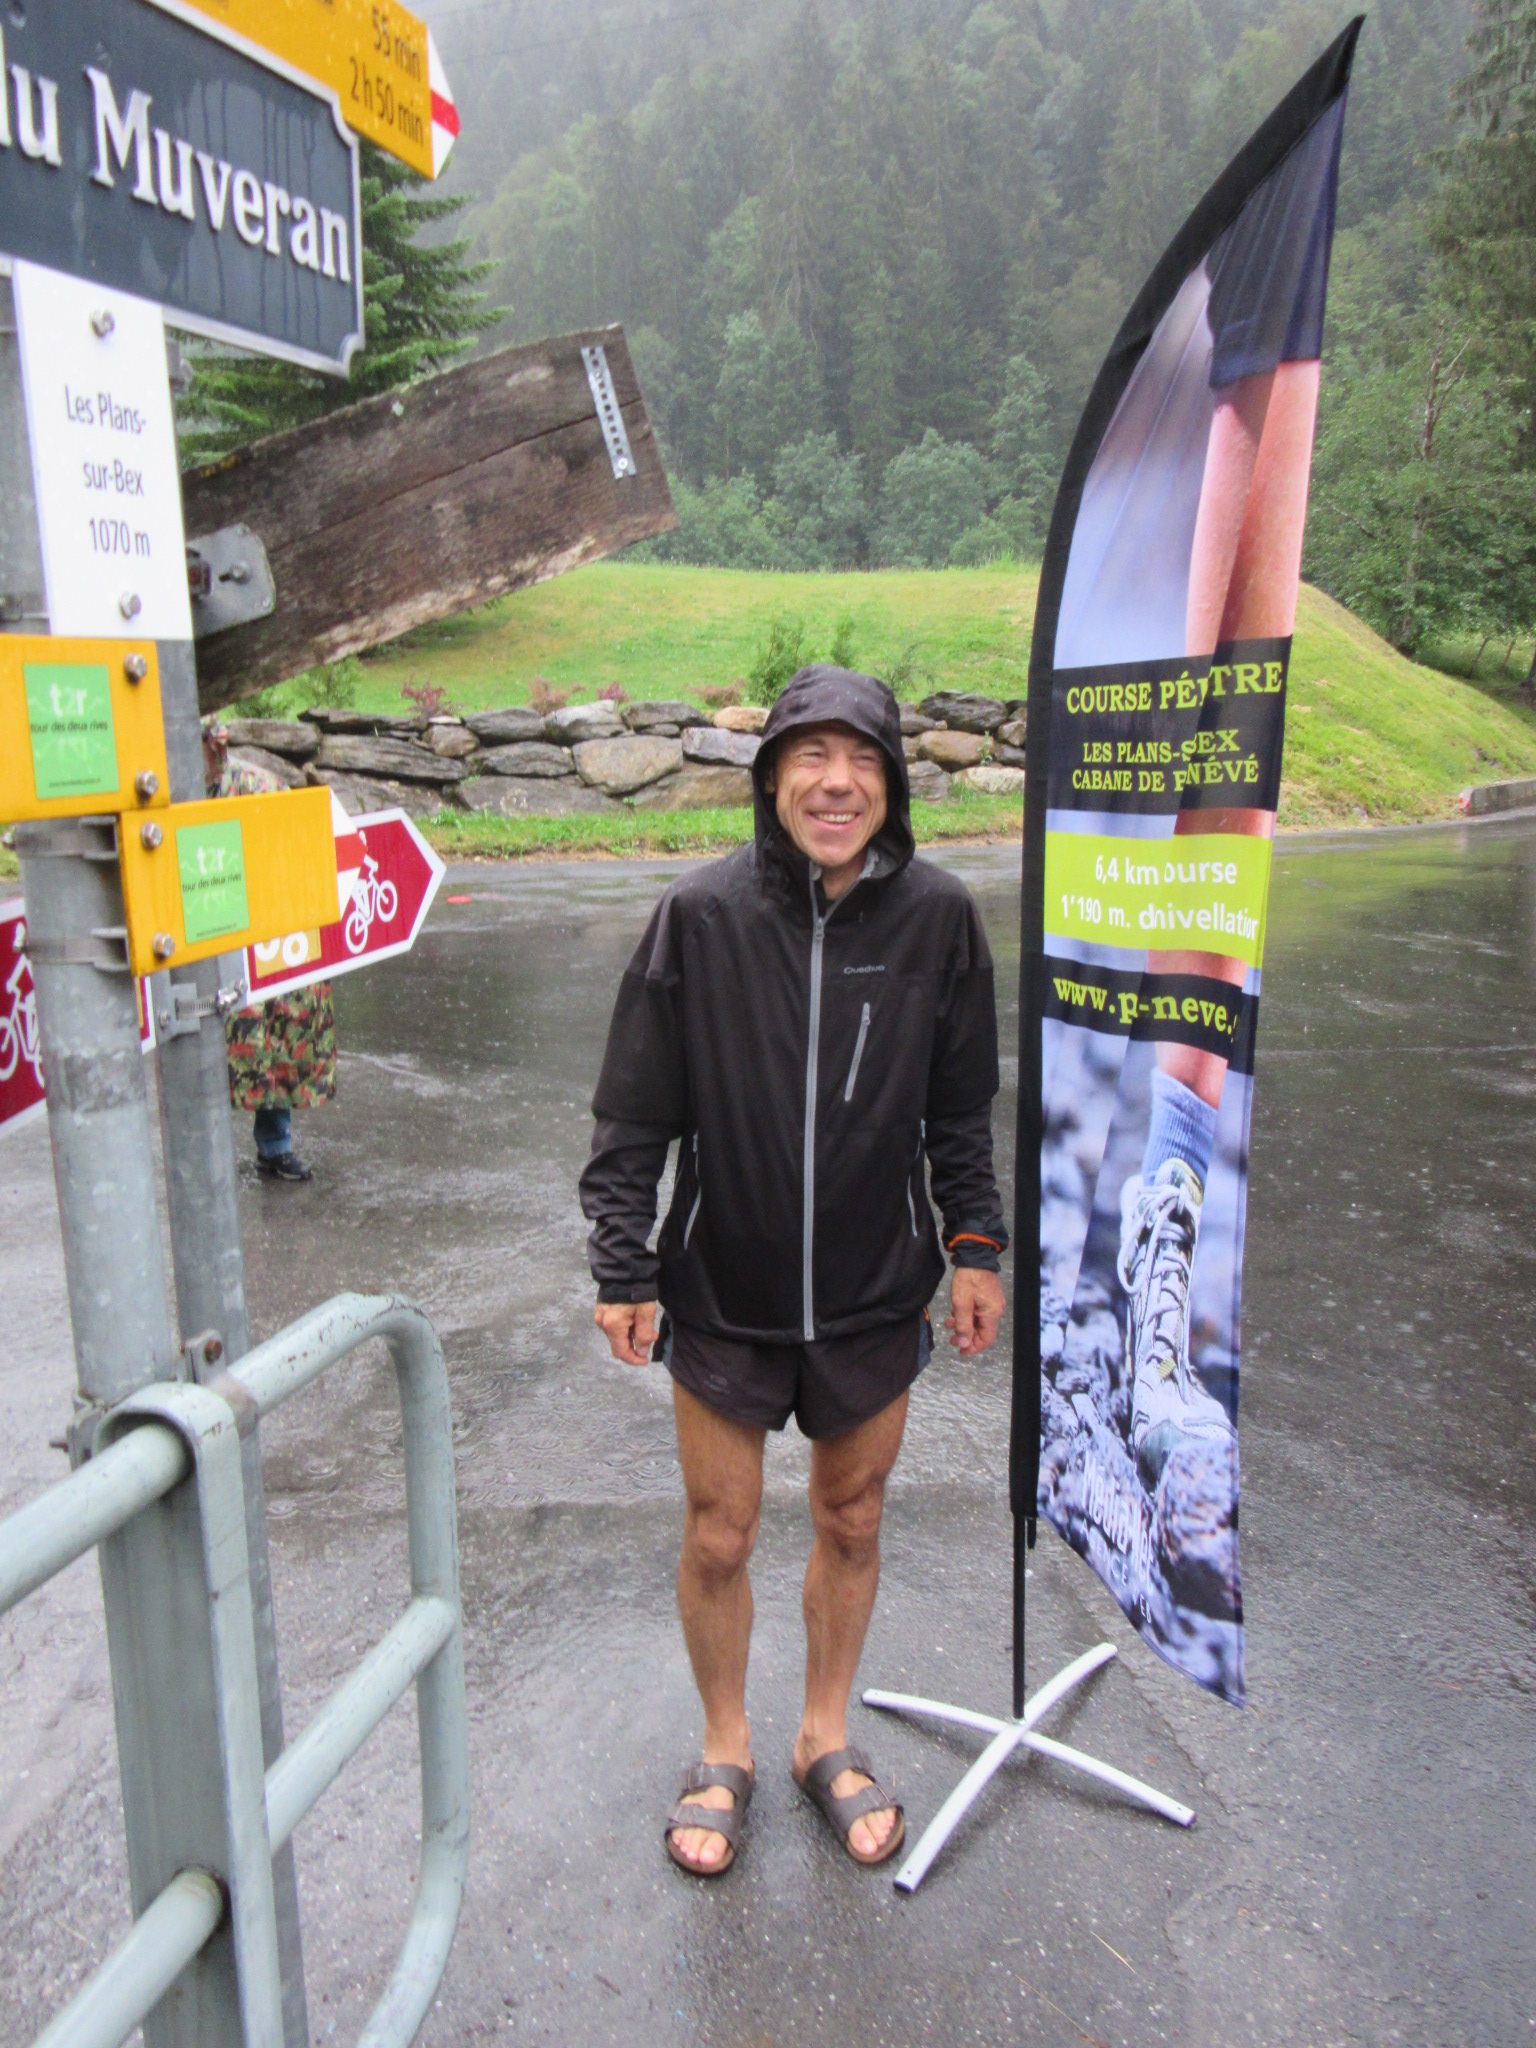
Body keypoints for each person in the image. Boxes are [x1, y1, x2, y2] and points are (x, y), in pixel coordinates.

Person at [580, 666, 1008, 1878]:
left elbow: (959, 1112)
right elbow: (634, 1114)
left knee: (852, 1516)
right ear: (770, 778)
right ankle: (726, 1742)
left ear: (893, 783)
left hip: (876, 1288)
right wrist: (624, 1263)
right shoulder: (700, 916)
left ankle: (825, 1730)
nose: (837, 782)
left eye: (864, 758)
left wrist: (975, 1246)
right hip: (726, 1287)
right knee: (720, 1533)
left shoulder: (938, 918)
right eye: (811, 756)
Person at [1119, 131, 1336, 1482]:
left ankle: (1162, 1223)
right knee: (1203, 779)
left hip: (1282, 311)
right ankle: (1145, 1241)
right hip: (1245, 322)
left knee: (1234, 801)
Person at [202, 718, 336, 1182]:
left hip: (258, 935)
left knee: (272, 1034)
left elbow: (298, 855)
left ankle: (275, 1148)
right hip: (199, 939)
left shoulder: (258, 788)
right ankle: (200, 1161)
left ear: (214, 748)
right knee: (198, 1045)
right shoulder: (165, 798)